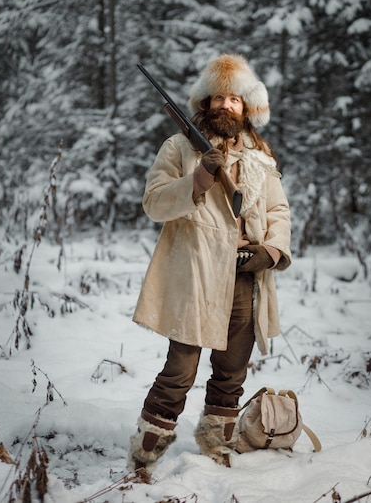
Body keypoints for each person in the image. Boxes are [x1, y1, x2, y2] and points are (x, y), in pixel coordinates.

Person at [127, 53, 291, 475]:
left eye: (234, 99)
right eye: (217, 98)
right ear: (205, 103)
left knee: (232, 371)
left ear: (246, 107)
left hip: (245, 278)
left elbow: (278, 212)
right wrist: (198, 179)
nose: (225, 106)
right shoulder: (180, 148)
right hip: (195, 274)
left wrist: (270, 252)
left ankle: (216, 448)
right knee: (179, 370)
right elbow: (154, 203)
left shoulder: (260, 155)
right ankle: (146, 452)